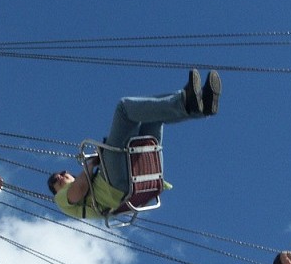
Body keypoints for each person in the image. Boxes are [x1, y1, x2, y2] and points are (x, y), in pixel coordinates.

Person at [48, 69, 220, 220]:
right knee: (124, 109)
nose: (62, 174)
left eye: (64, 172)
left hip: (129, 183)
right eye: (57, 178)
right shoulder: (61, 199)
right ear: (56, 190)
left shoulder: (88, 181)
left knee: (152, 113)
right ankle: (185, 100)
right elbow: (78, 191)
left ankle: (199, 104)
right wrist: (92, 163)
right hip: (114, 186)